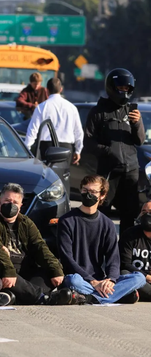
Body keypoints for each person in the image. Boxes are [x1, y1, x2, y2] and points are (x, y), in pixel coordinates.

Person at [0, 183, 78, 305]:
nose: (10, 205)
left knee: (49, 274)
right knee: (3, 274)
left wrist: (55, 269)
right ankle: (44, 298)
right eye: (7, 200)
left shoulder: (26, 222)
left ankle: (13, 296)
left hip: (25, 270)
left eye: (15, 202)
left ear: (20, 205)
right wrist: (9, 272)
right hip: (3, 269)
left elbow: (40, 246)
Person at [58, 175, 146, 304]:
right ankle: (114, 296)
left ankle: (90, 298)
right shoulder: (67, 220)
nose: (88, 195)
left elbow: (113, 258)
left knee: (139, 278)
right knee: (73, 281)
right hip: (78, 278)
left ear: (102, 195)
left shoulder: (107, 223)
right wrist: (92, 282)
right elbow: (67, 258)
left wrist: (110, 280)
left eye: (93, 192)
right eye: (85, 190)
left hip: (100, 279)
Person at [84, 68, 145, 233]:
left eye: (127, 88)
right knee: (102, 212)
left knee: (130, 214)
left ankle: (124, 254)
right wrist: (108, 151)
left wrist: (137, 123)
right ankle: (100, 249)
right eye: (121, 88)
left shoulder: (132, 111)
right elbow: (88, 142)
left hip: (131, 171)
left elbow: (140, 140)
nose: (124, 91)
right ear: (112, 87)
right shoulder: (97, 112)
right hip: (108, 172)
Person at [25, 77, 83, 167]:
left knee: (46, 177)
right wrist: (78, 150)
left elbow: (32, 130)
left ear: (47, 90)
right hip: (66, 147)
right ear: (61, 89)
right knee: (63, 176)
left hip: (46, 147)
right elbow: (78, 131)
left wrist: (27, 148)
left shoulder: (41, 107)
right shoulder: (72, 108)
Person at [119, 201, 151, 301]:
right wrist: (147, 277)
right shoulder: (129, 235)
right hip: (137, 279)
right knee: (125, 273)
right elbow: (124, 264)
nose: (147, 215)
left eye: (150, 212)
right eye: (144, 212)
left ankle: (133, 294)